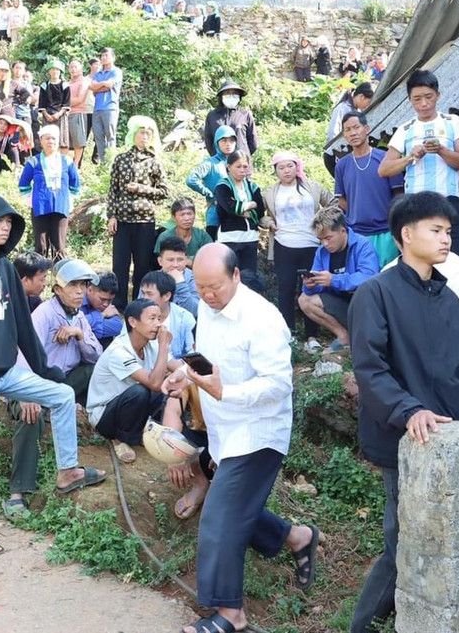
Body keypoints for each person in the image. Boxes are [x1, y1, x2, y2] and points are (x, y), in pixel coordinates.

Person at [162, 244, 320, 633]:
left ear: (235, 275)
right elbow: (205, 357)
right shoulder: (206, 306)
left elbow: (278, 385)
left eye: (214, 287)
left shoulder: (262, 319)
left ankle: (231, 615)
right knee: (234, 509)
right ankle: (298, 538)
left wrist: (224, 392)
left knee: (219, 516)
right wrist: (183, 375)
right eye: (200, 287)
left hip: (258, 432)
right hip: (224, 431)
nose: (207, 295)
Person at [0, 190, 107, 556]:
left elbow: (22, 327)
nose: (4, 227)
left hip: (8, 373)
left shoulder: (5, 269)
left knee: (62, 395)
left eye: (8, 222)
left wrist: (46, 370)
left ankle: (67, 471)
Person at [346, 191, 459, 631]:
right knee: (401, 540)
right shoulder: (375, 293)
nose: (446, 240)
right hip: (403, 437)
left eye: (448, 231)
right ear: (406, 235)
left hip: (448, 441)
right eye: (436, 230)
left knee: (442, 539)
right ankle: (364, 626)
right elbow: (370, 369)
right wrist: (409, 411)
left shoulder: (449, 300)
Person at [6, 258, 102, 518]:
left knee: (94, 371)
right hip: (31, 382)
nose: (80, 292)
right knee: (30, 416)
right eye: (73, 286)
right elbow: (21, 354)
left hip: (61, 383)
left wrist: (78, 335)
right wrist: (26, 394)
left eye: (83, 286)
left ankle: (89, 418)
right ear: (58, 289)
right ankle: (18, 492)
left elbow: (96, 356)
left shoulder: (79, 316)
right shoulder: (44, 313)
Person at [379, 70, 459, 321]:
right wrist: (410, 157)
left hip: (448, 202)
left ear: (438, 95)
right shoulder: (405, 129)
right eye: (417, 99)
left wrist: (442, 150)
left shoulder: (452, 122)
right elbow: (384, 169)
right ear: (410, 101)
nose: (423, 103)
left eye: (428, 97)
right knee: (417, 263)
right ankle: (418, 319)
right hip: (416, 207)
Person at [87, 298, 176, 463]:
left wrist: (192, 373)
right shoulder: (119, 351)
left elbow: (177, 367)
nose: (158, 324)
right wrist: (164, 347)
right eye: (152, 318)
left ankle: (142, 431)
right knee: (140, 391)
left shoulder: (151, 344)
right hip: (104, 416)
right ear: (133, 322)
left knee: (167, 387)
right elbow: (154, 384)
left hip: (130, 409)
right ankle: (121, 439)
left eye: (159, 318)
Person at [262, 151, 334, 337]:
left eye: (290, 166)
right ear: (276, 171)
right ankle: (289, 333)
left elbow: (333, 202)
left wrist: (323, 222)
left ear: (297, 167)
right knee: (285, 289)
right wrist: (269, 223)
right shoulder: (270, 193)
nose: (286, 170)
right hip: (283, 244)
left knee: (311, 288)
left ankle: (312, 335)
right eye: (281, 167)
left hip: (311, 244)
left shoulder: (312, 187)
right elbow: (259, 215)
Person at [106, 116, 169, 303]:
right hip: (122, 221)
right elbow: (113, 191)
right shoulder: (121, 159)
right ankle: (118, 304)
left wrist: (141, 189)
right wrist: (111, 216)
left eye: (148, 134)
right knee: (120, 265)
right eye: (142, 133)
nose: (145, 137)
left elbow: (164, 191)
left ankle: (141, 302)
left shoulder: (154, 162)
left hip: (145, 222)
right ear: (133, 134)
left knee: (142, 265)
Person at [299, 206, 380, 352]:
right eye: (321, 240)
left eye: (328, 238)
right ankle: (343, 336)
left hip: (365, 307)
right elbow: (317, 286)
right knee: (304, 299)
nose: (325, 244)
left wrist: (334, 280)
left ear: (343, 231)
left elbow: (370, 276)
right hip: (341, 304)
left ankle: (365, 338)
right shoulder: (321, 252)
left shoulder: (363, 245)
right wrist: (310, 285)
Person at [336, 111, 405, 267]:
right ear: (344, 135)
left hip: (386, 232)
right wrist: (358, 214)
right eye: (348, 130)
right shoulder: (342, 165)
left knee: (387, 274)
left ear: (366, 129)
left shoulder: (385, 158)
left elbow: (399, 195)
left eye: (356, 127)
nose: (353, 133)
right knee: (361, 275)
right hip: (357, 233)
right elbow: (342, 200)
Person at [18, 125, 81, 260]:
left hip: (60, 206)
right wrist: (31, 200)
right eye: (47, 138)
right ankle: (40, 272)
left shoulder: (66, 160)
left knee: (59, 247)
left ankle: (60, 272)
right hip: (40, 207)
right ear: (41, 141)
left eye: (53, 138)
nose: (50, 141)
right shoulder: (34, 161)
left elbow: (75, 183)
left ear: (58, 141)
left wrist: (69, 198)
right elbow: (23, 184)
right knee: (41, 246)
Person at [212, 151, 265, 292]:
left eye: (245, 166)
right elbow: (229, 207)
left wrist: (242, 209)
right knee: (229, 277)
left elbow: (260, 210)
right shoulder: (222, 186)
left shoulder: (252, 186)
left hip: (250, 238)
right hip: (229, 238)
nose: (242, 170)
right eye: (238, 166)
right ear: (229, 167)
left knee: (249, 278)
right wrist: (251, 204)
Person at [187, 125, 239, 240]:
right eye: (224, 140)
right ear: (217, 142)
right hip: (216, 215)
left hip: (235, 214)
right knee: (214, 247)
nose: (228, 144)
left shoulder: (238, 163)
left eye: (231, 140)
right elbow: (191, 179)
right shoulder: (210, 163)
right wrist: (210, 194)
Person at [139, 270, 195, 357]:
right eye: (143, 293)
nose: (144, 298)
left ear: (166, 296)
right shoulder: (135, 314)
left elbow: (192, 352)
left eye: (149, 294)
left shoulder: (185, 318)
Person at [324, 83, 375, 177]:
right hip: (336, 154)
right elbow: (333, 133)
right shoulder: (342, 108)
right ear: (361, 97)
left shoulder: (357, 111)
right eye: (368, 102)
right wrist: (336, 151)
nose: (367, 106)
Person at [202, 80, 259, 159]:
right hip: (219, 162)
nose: (231, 96)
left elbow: (253, 143)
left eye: (235, 93)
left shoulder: (245, 114)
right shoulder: (212, 116)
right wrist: (217, 157)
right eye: (227, 93)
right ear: (221, 96)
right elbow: (209, 141)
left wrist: (242, 155)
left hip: (241, 162)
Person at [154, 197, 213, 265]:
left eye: (189, 214)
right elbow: (162, 261)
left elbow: (210, 258)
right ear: (174, 217)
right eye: (182, 215)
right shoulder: (165, 237)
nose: (187, 218)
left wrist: (190, 263)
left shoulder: (202, 236)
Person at [89, 48, 123, 164]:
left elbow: (109, 85)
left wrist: (99, 86)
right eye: (102, 55)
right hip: (97, 108)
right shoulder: (98, 73)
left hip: (110, 107)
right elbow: (92, 87)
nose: (103, 58)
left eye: (106, 55)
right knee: (98, 136)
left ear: (113, 58)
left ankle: (111, 162)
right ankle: (103, 163)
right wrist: (103, 85)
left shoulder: (116, 71)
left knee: (110, 135)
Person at [155, 237, 200, 316]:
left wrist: (180, 284)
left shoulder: (195, 279)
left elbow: (195, 311)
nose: (175, 265)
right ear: (160, 261)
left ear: (186, 260)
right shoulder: (151, 280)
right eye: (170, 260)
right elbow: (143, 310)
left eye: (180, 260)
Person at [83, 271, 124, 349]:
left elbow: (117, 326)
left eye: (110, 300)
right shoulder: (77, 299)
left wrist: (86, 330)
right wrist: (102, 315)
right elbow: (75, 322)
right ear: (90, 290)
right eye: (102, 299)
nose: (106, 304)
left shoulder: (108, 308)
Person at [37, 60, 71, 152]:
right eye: (52, 69)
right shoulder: (44, 85)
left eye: (57, 69)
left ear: (60, 71)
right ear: (49, 71)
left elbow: (66, 103)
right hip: (47, 116)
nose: (55, 72)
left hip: (61, 116)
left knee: (61, 141)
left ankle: (61, 159)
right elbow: (42, 103)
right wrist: (47, 115)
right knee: (47, 139)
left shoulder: (65, 85)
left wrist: (58, 114)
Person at [65, 59, 93, 168]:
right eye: (71, 67)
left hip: (78, 113)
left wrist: (63, 102)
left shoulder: (84, 82)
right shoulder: (67, 83)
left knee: (78, 141)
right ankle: (66, 164)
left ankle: (76, 165)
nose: (73, 69)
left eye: (75, 67)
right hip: (65, 115)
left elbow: (79, 99)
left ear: (81, 69)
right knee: (65, 141)